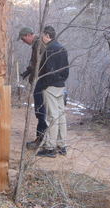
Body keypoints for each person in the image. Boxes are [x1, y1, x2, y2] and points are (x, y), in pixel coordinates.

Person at [36, 26, 69, 158]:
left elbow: (47, 70)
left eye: (43, 35)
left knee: (52, 116)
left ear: (47, 35)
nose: (42, 38)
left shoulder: (49, 49)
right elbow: (66, 70)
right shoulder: (62, 48)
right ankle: (62, 146)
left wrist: (44, 84)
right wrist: (61, 80)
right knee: (61, 115)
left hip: (50, 86)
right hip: (61, 85)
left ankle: (50, 148)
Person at [17, 27, 47, 150]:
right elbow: (35, 63)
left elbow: (41, 63)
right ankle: (42, 139)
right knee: (41, 111)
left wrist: (37, 77)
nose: (24, 42)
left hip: (41, 81)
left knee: (41, 111)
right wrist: (27, 72)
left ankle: (41, 140)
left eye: (24, 39)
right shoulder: (36, 44)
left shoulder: (39, 44)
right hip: (39, 80)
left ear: (29, 35)